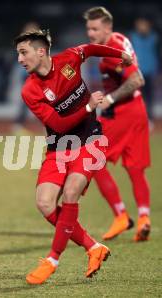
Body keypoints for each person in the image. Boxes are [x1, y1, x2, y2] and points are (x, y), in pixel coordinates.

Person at [15, 30, 132, 284]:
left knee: (70, 193)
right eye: (18, 54)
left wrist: (119, 54)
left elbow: (89, 49)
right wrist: (89, 106)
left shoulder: (69, 59)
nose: (20, 60)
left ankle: (52, 259)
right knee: (45, 204)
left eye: (23, 53)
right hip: (59, 146)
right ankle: (93, 247)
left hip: (90, 141)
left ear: (41, 51)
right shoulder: (30, 90)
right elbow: (57, 124)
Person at [84, 7, 151, 242]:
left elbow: (137, 79)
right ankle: (144, 218)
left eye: (95, 29)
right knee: (135, 168)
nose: (90, 33)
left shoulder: (112, 50)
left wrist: (110, 98)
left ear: (107, 28)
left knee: (91, 158)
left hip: (121, 113)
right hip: (138, 110)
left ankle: (120, 215)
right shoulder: (120, 39)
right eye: (88, 29)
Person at [130, 17, 159, 123]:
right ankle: (138, 117)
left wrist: (157, 71)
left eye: (143, 25)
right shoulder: (132, 37)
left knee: (149, 95)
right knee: (137, 96)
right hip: (137, 71)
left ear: (148, 25)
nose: (141, 27)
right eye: (139, 24)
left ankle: (149, 118)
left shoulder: (154, 38)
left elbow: (158, 55)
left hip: (150, 71)